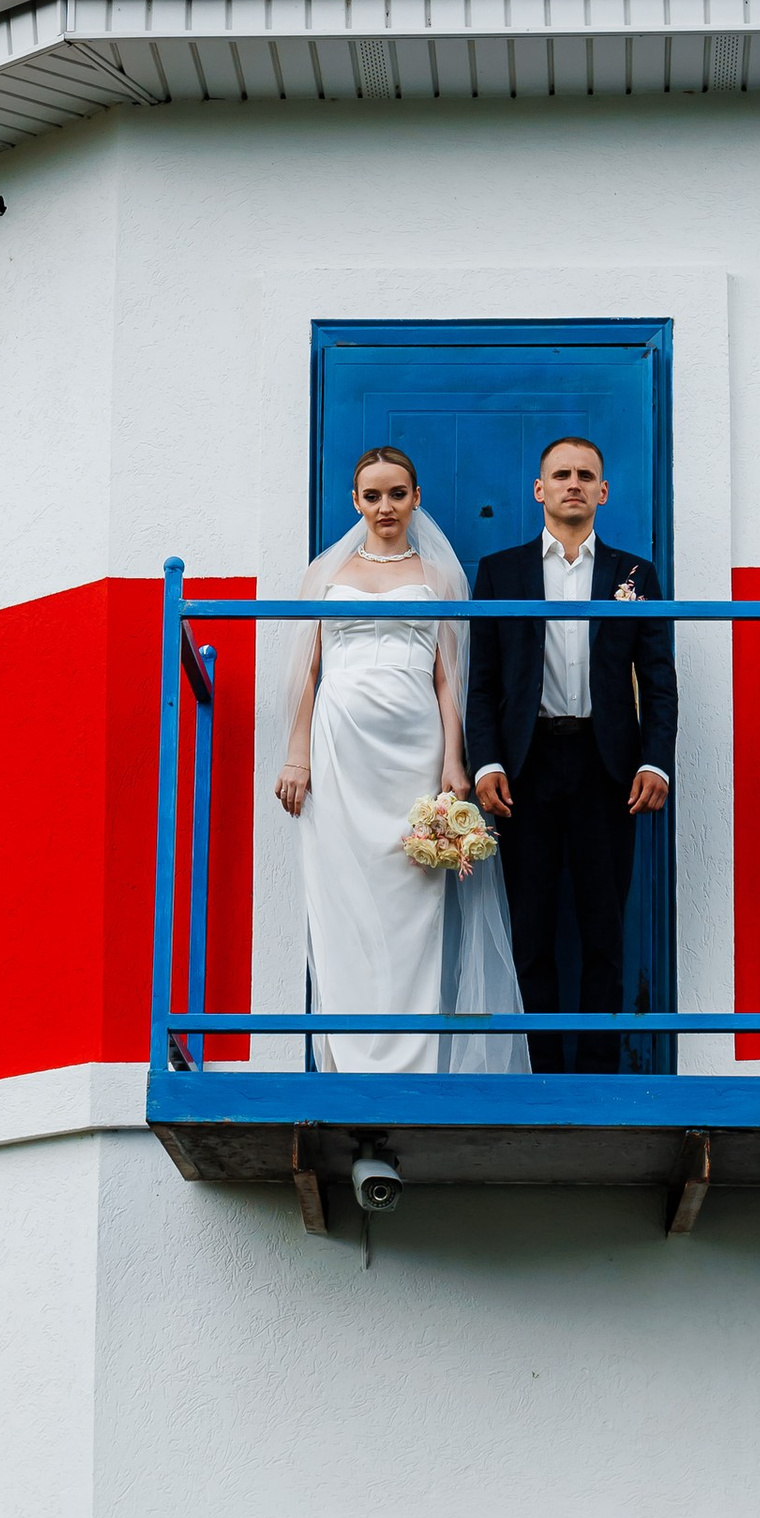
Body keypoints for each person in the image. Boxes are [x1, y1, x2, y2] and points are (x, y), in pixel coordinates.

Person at [272, 445, 522, 1076]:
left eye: (398, 494)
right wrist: (296, 755)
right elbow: (309, 670)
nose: (386, 507)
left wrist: (453, 763)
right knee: (343, 900)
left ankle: (413, 1061)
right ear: (355, 502)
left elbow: (449, 679)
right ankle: (349, 1059)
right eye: (373, 495)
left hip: (415, 749)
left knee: (414, 904)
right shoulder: (324, 575)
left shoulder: (440, 578)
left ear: (416, 499)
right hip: (340, 746)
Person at [467, 436, 677, 1076]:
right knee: (531, 930)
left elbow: (659, 677)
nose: (574, 484)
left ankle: (595, 1076)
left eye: (587, 475)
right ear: (540, 489)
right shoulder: (499, 572)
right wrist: (487, 762)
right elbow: (484, 679)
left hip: (606, 767)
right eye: (561, 474)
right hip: (525, 769)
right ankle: (541, 1073)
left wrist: (655, 760)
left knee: (602, 929)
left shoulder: (635, 574)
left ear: (604, 491)